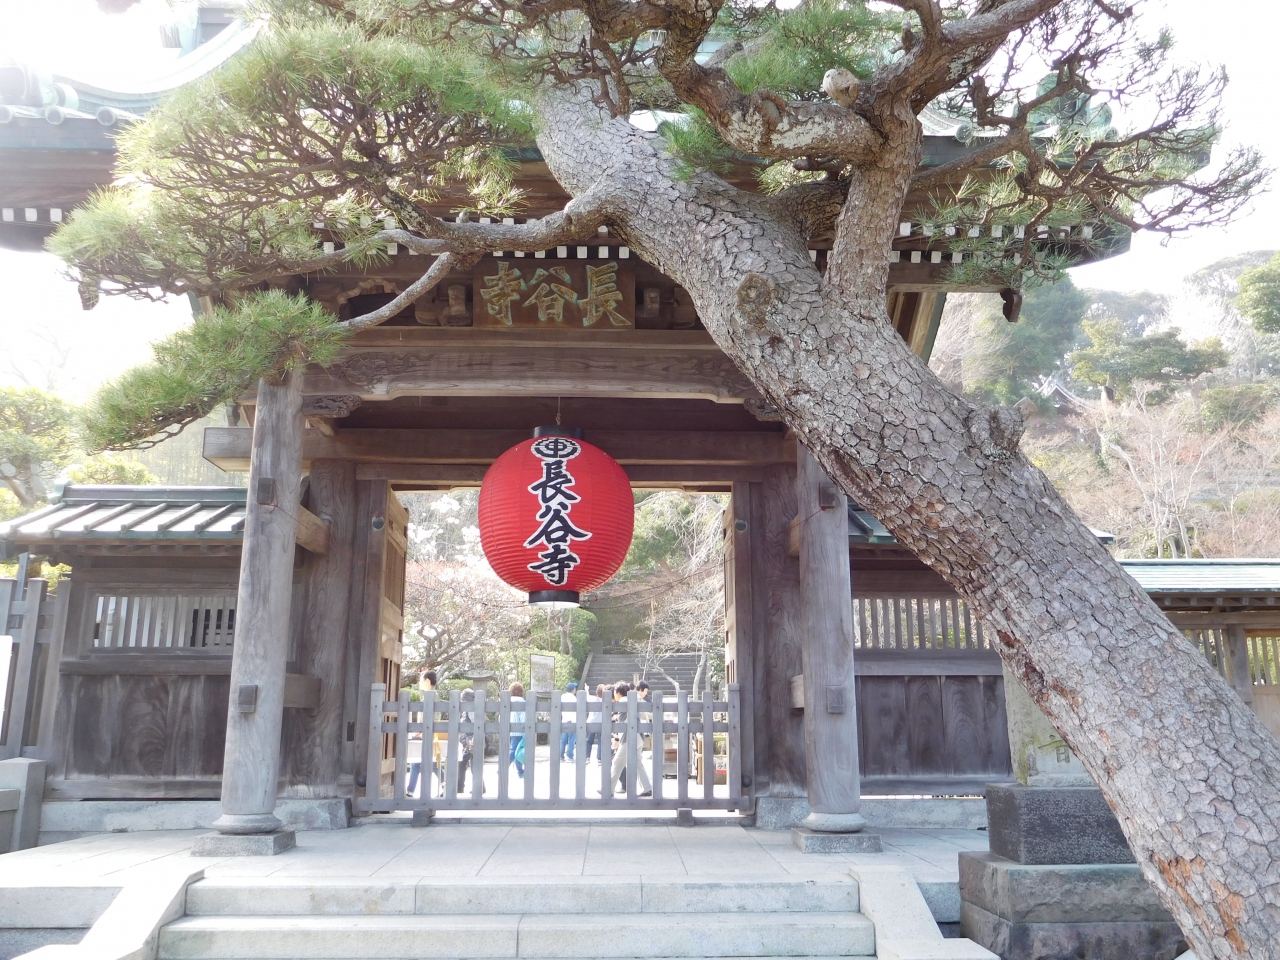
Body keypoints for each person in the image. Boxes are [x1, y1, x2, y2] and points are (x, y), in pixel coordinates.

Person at [610, 682, 652, 797]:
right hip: (638, 737)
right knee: (637, 763)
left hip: (630, 738)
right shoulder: (631, 699)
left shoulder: (623, 700)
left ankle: (608, 789)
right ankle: (647, 788)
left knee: (617, 762)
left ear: (618, 692)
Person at [456, 688, 477, 795]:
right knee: (473, 764)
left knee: (464, 763)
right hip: (468, 739)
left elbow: (474, 723)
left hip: (470, 739)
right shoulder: (471, 708)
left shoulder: (471, 709)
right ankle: (479, 787)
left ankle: (460, 787)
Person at [509, 682, 527, 779]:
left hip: (508, 730)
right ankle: (502, 768)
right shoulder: (521, 701)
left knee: (515, 750)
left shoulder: (507, 700)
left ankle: (520, 771)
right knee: (516, 751)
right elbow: (523, 717)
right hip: (518, 731)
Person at [559, 682, 579, 761]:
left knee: (563, 739)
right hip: (572, 720)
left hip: (564, 720)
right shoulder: (574, 698)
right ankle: (569, 755)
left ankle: (561, 755)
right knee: (571, 739)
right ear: (573, 689)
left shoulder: (562, 696)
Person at [585, 684, 604, 762]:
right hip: (601, 722)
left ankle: (587, 757)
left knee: (588, 740)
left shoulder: (592, 699)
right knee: (601, 741)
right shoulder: (606, 701)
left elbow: (586, 695)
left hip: (591, 722)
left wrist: (587, 689)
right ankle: (599, 758)